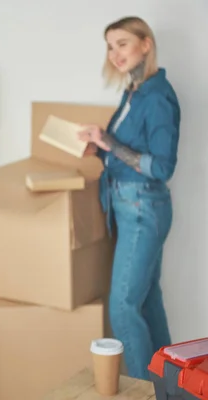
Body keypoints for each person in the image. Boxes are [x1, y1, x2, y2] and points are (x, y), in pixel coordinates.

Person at [78, 16, 180, 380]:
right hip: (129, 207)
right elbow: (126, 154)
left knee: (122, 307)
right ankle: (171, 387)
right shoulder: (132, 93)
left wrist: (110, 143)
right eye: (110, 45)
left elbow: (161, 166)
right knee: (147, 302)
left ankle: (143, 392)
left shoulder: (158, 97)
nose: (114, 53)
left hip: (143, 209)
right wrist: (101, 150)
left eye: (122, 43)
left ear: (145, 44)